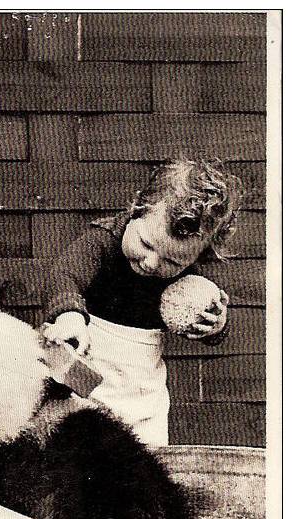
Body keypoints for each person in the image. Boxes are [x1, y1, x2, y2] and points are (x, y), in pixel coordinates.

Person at [42, 159, 242, 446]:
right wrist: (69, 316)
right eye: (146, 244)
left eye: (172, 261)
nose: (151, 263)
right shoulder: (101, 243)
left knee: (149, 458)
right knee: (77, 450)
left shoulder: (189, 278)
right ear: (137, 208)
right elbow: (63, 275)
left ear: (196, 257)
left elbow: (210, 322)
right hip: (84, 376)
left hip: (142, 391)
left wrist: (215, 325)